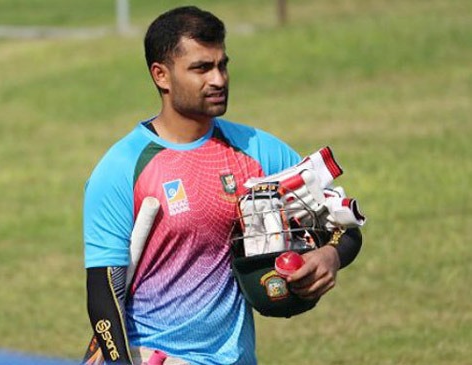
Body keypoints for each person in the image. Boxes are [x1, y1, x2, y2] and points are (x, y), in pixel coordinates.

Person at [83, 6, 362, 364]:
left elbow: (344, 222)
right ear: (161, 76)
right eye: (201, 68)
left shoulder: (256, 150)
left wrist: (331, 255)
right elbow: (104, 292)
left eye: (222, 65)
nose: (218, 79)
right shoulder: (123, 168)